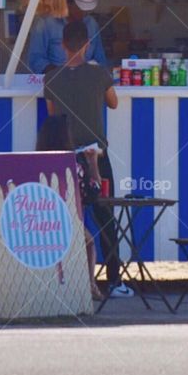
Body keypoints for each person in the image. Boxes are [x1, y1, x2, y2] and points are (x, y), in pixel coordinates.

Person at [43, 20, 133, 298]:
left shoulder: (51, 78)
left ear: (62, 45)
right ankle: (115, 281)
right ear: (87, 45)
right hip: (97, 157)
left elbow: (51, 114)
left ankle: (64, 278)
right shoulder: (99, 74)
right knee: (106, 217)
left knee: (66, 218)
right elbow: (114, 103)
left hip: (66, 159)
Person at [35, 114, 103, 301]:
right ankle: (90, 285)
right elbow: (93, 193)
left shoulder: (34, 162)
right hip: (65, 221)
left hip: (37, 221)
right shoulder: (73, 165)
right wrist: (93, 163)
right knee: (88, 242)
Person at [27, 0, 107, 74]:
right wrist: (59, 74)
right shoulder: (46, 23)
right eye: (81, 9)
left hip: (86, 81)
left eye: (88, 10)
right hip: (53, 81)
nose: (84, 14)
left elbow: (101, 60)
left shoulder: (92, 24)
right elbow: (36, 59)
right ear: (69, 4)